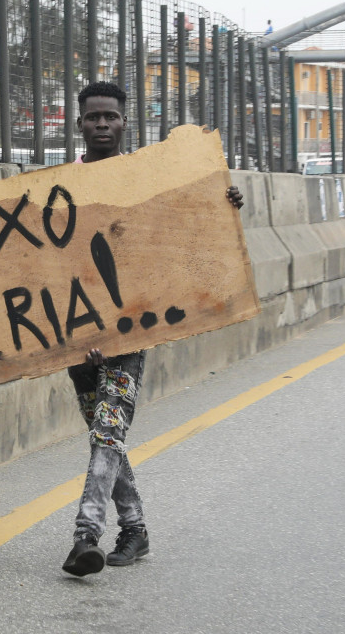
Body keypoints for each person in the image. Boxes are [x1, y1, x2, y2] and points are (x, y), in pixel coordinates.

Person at [61, 81, 244, 577]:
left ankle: (86, 536)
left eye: (111, 116)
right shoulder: (59, 186)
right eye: (93, 116)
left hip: (129, 333)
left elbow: (182, 227)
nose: (102, 123)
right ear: (79, 123)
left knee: (106, 432)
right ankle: (136, 529)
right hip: (77, 336)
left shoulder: (147, 178)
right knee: (108, 434)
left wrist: (221, 202)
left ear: (125, 123)